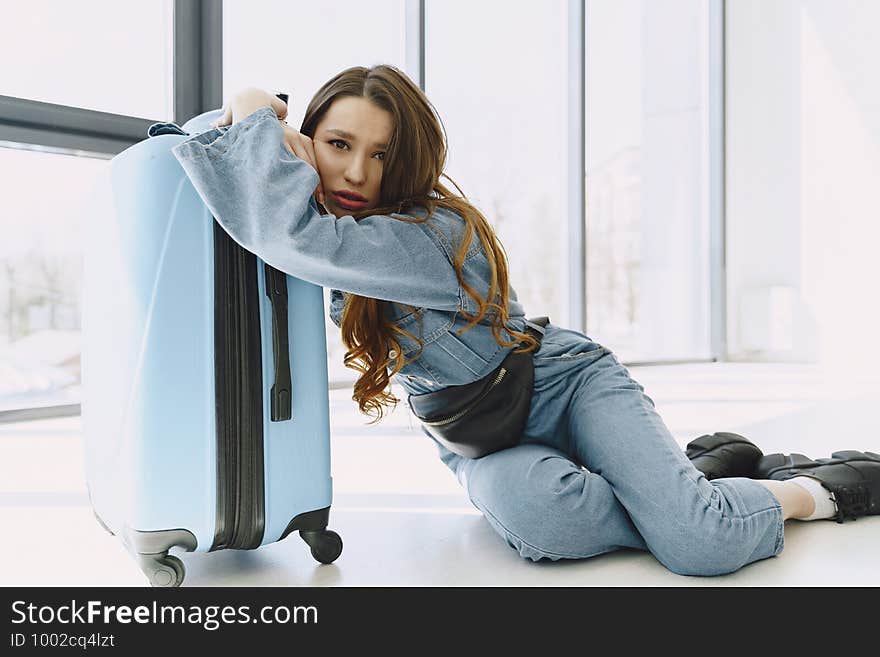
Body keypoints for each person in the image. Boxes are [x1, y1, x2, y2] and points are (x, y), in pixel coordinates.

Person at [172, 64, 879, 576]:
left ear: (409, 160)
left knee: (700, 544)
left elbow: (285, 231)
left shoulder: (423, 235)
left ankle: (807, 489)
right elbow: (284, 220)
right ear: (314, 144)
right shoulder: (352, 246)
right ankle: (691, 477)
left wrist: (252, 108)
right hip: (482, 439)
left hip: (564, 383)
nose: (357, 172)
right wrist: (277, 144)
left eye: (382, 154)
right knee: (547, 522)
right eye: (338, 145)